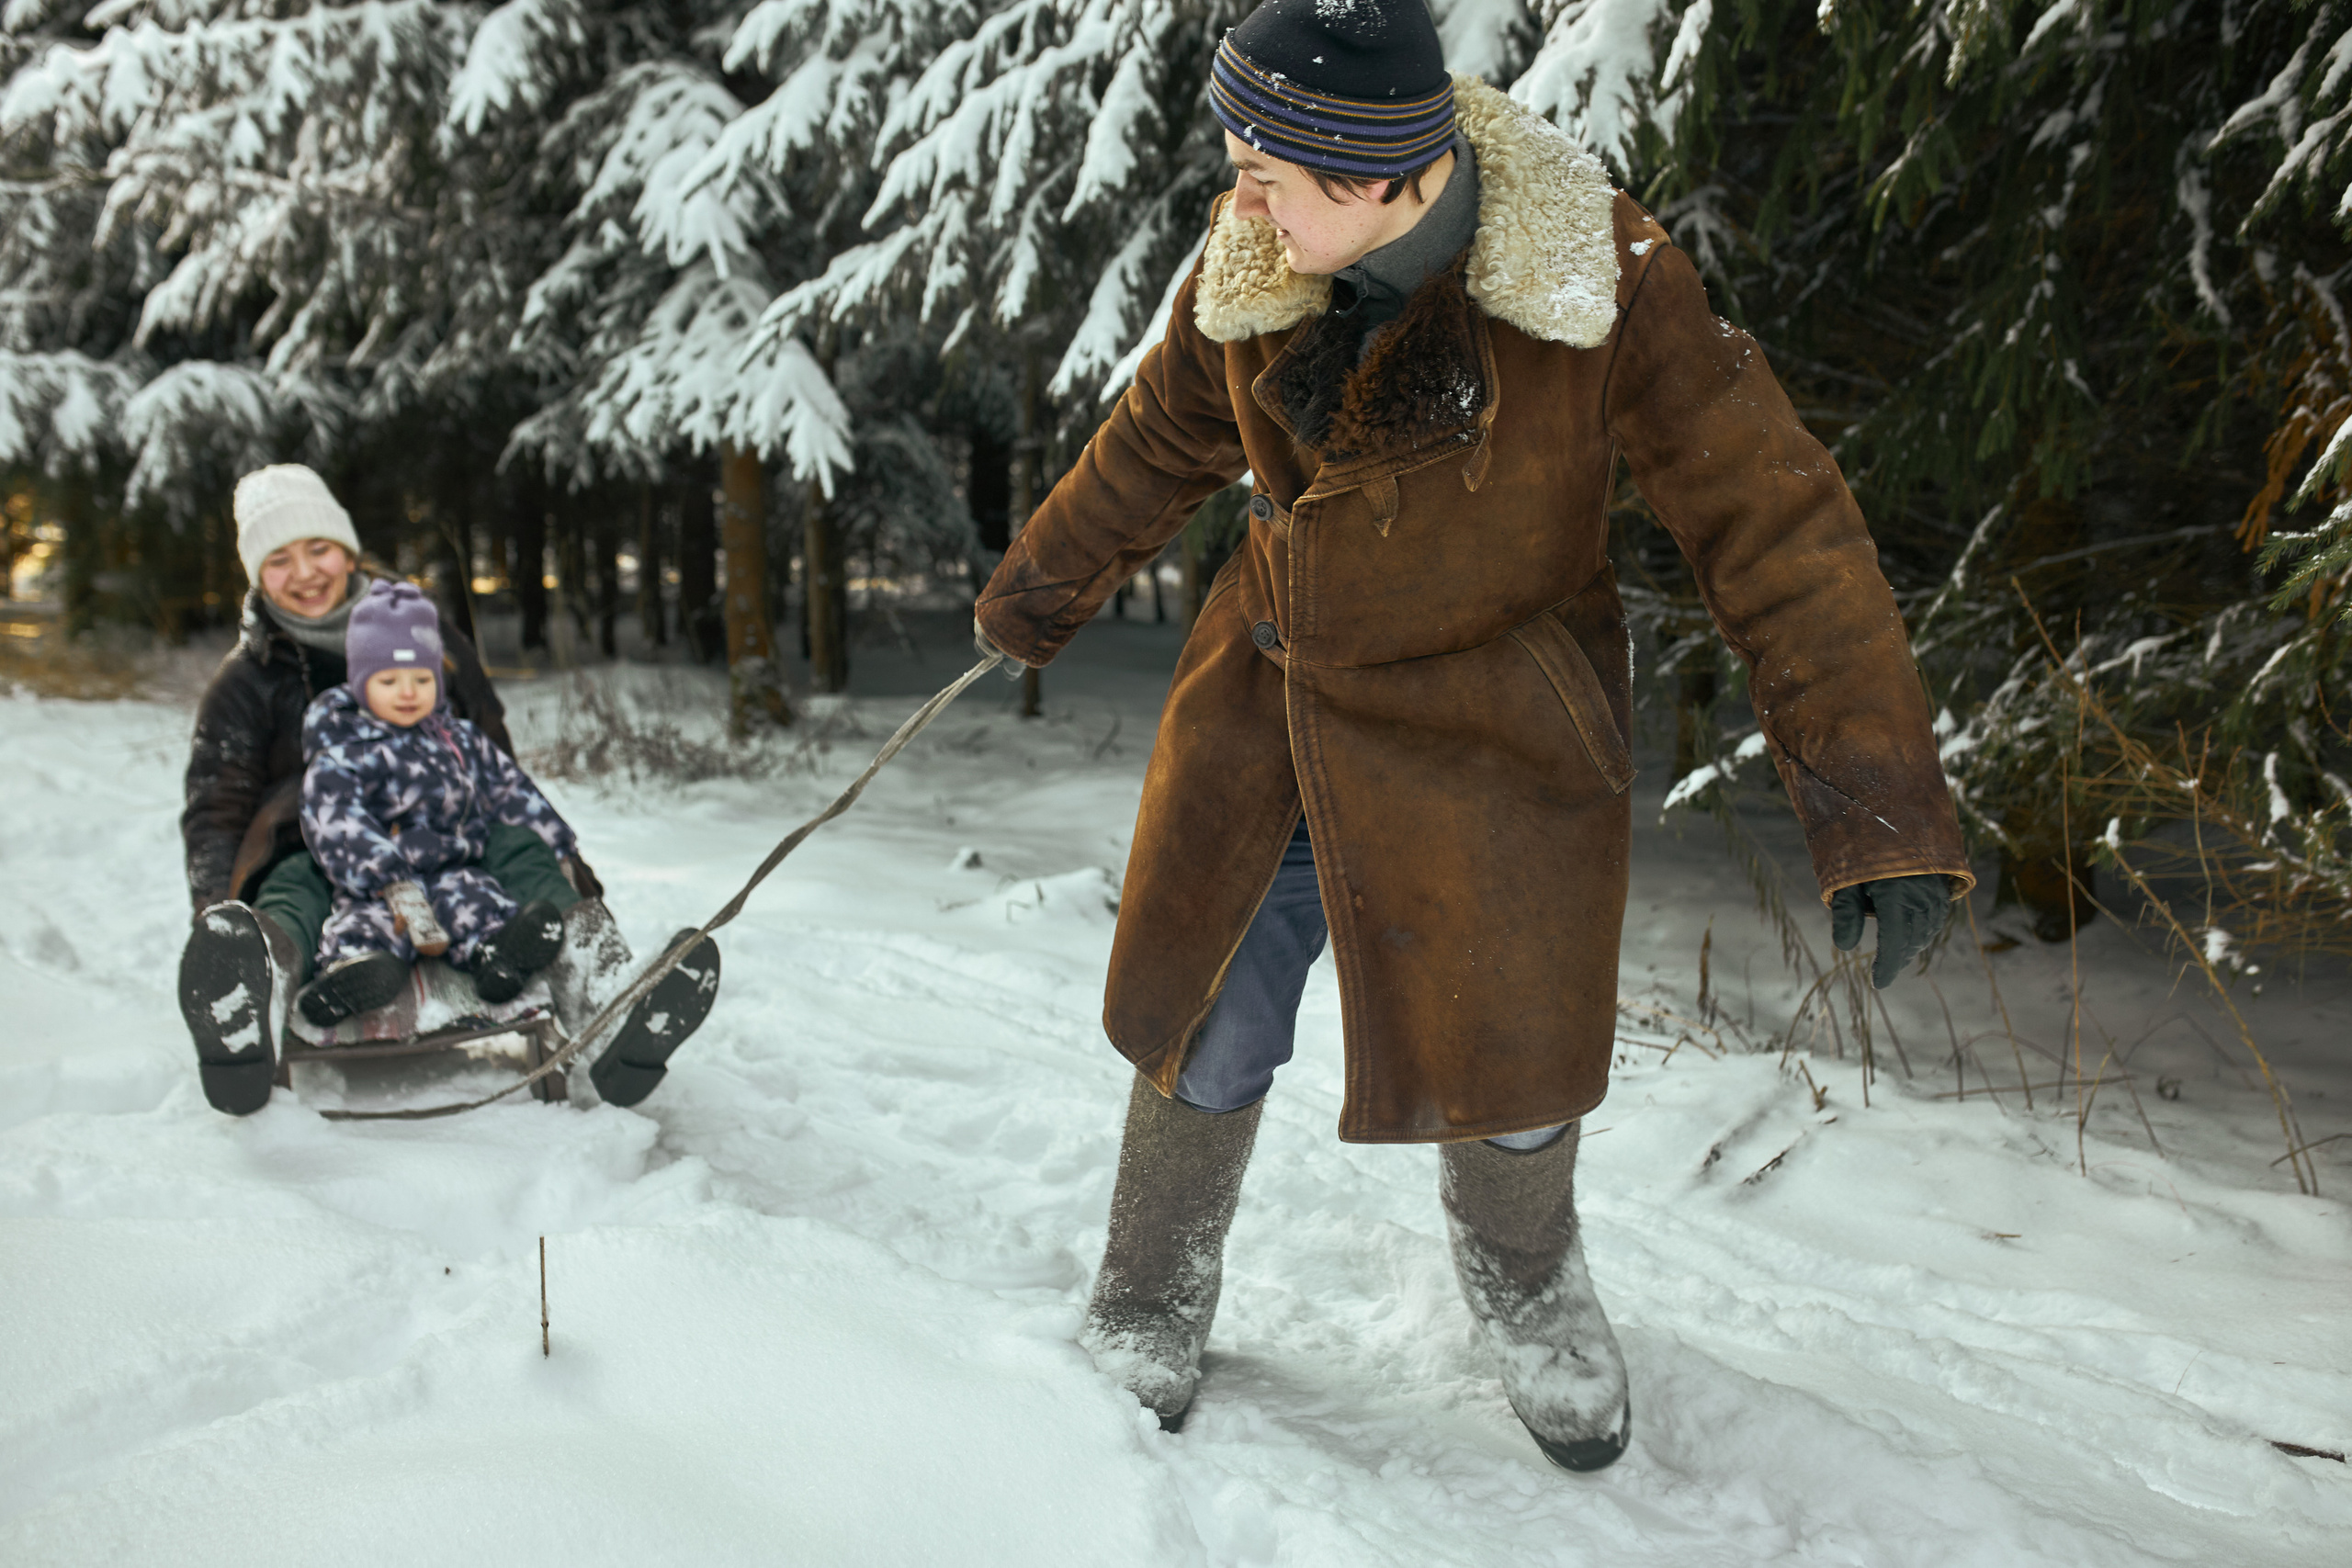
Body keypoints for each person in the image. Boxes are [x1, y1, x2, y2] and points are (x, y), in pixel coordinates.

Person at [972, 0, 1970, 1472]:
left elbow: (1777, 522)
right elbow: (1161, 431)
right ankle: (1152, 1277)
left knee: (1513, 1045)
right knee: (1209, 999)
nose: (1234, 193)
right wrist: (1035, 591)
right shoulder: (1255, 252)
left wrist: (1876, 801)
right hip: (1276, 696)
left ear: (1380, 178)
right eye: (1237, 158)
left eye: (1266, 168)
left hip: (1500, 716)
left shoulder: (1602, 277)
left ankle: (1525, 1275)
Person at [177, 463, 718, 1115]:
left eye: (317, 548)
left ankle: (606, 989)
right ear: (255, 574)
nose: (305, 572)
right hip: (321, 846)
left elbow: (493, 759)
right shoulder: (245, 681)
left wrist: (562, 862)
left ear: (346, 550)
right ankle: (250, 997)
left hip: (452, 836)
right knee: (293, 885)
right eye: (279, 559)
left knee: (517, 845)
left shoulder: (432, 633)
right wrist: (214, 912)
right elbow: (216, 811)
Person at [295, 579, 578, 1024]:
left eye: (421, 679)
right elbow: (333, 821)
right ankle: (351, 977)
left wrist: (556, 843)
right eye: (389, 680)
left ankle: (498, 957)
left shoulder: (459, 740)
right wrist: (383, 871)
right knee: (363, 926)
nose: (408, 692)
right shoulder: (343, 750)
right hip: (381, 886)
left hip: (454, 869)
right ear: (361, 684)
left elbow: (509, 790)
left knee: (480, 902)